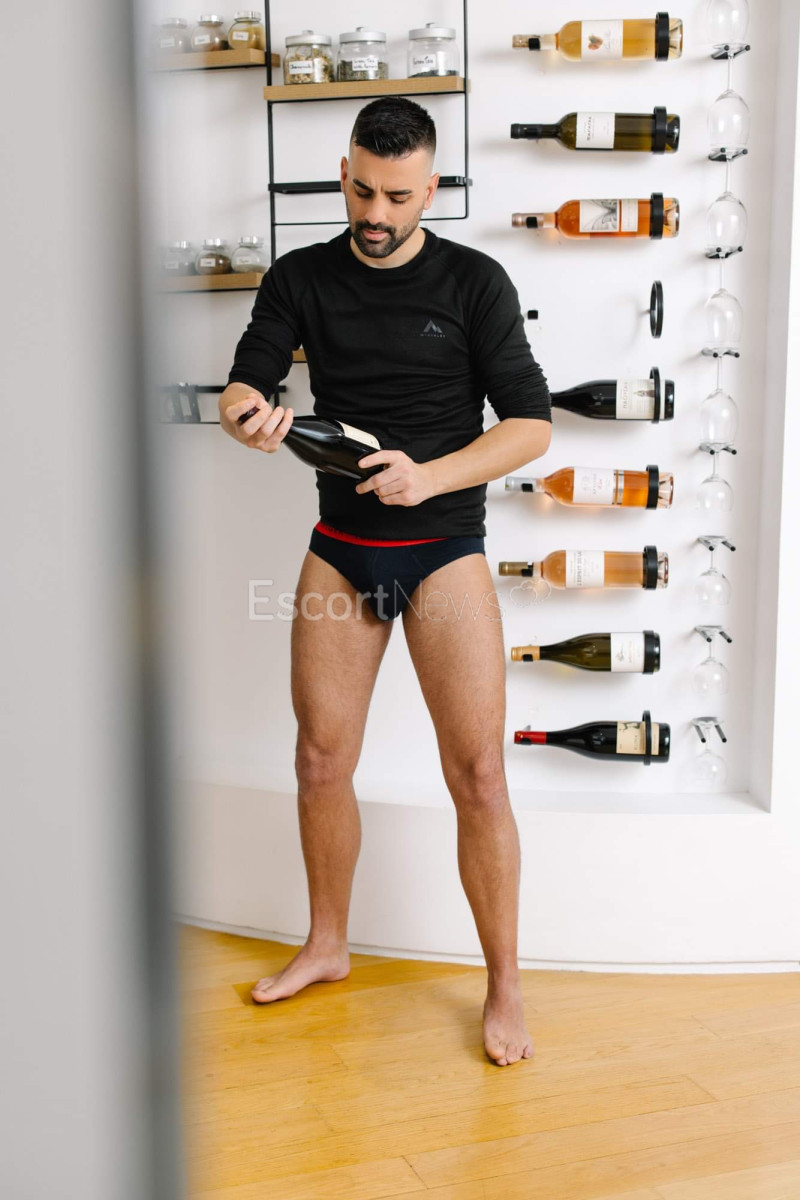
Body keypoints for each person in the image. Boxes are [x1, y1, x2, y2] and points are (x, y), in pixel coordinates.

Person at [218, 96, 551, 1067]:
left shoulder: (474, 281)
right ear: (344, 173)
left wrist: (429, 477)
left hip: (442, 548)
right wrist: (247, 416)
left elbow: (530, 425)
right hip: (340, 545)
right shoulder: (300, 276)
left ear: (429, 189)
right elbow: (246, 379)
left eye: (396, 197)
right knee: (320, 759)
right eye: (361, 190)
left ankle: (504, 986)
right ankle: (327, 945)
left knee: (478, 774)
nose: (374, 213)